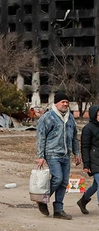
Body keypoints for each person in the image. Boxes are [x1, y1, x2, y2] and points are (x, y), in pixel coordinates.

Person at [36, 92, 81, 220]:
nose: (65, 104)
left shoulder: (70, 118)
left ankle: (58, 210)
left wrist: (77, 153)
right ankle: (42, 199)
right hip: (52, 153)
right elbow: (41, 137)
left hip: (65, 155)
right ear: (56, 103)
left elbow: (74, 137)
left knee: (64, 182)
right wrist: (40, 156)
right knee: (58, 178)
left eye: (67, 102)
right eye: (63, 102)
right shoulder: (48, 117)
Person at [77, 105, 99, 214]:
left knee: (96, 185)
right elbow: (85, 147)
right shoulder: (88, 128)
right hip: (94, 159)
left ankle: (83, 201)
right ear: (94, 115)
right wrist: (86, 164)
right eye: (98, 115)